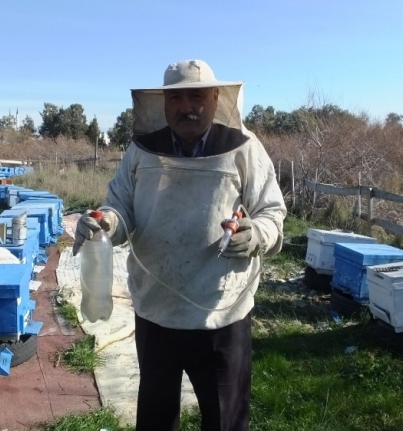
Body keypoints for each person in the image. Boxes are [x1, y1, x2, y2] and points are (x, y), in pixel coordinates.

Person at [72, 60, 286, 431]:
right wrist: (105, 221)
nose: (187, 106)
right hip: (157, 310)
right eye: (176, 98)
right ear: (163, 103)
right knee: (156, 417)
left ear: (216, 98)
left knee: (225, 420)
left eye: (197, 96)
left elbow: (271, 210)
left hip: (221, 313)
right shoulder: (142, 150)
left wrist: (256, 235)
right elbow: (120, 205)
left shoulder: (243, 146)